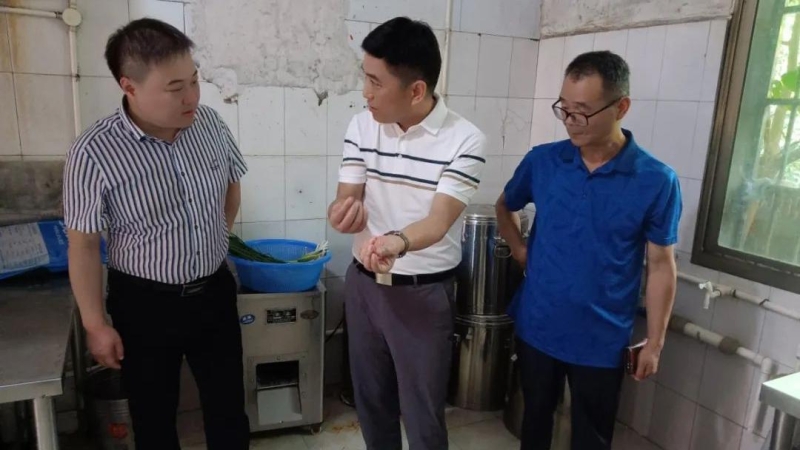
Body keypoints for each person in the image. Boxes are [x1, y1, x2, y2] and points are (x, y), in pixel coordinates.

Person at [63, 18, 249, 450]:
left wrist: (213, 240)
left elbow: (232, 185)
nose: (192, 97)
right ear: (129, 86)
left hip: (213, 292)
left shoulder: (210, 125)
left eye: (195, 81)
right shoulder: (93, 152)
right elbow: (83, 244)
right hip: (144, 305)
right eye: (175, 87)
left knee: (228, 409)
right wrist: (95, 324)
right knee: (153, 419)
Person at [495, 51, 681, 450]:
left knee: (592, 436)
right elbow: (505, 205)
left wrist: (655, 342)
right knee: (533, 424)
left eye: (582, 111)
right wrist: (520, 250)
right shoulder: (544, 161)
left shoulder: (656, 180)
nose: (570, 121)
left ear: (621, 107)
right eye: (564, 108)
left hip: (602, 337)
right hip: (539, 325)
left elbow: (661, 266)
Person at [327, 17, 486, 450]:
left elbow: (438, 221)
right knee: (371, 402)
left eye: (375, 82)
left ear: (416, 90)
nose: (365, 92)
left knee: (422, 412)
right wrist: (343, 214)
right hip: (364, 287)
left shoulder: (464, 140)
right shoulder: (361, 126)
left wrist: (395, 242)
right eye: (365, 77)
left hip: (422, 295)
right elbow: (346, 198)